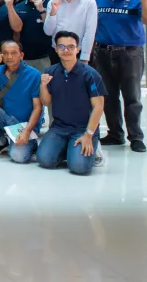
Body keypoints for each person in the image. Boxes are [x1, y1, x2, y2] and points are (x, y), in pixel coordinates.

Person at [94, 0, 147, 153]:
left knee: (132, 97)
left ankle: (135, 137)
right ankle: (115, 134)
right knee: (108, 96)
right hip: (103, 53)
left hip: (130, 54)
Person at [38, 31, 107, 175]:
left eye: (71, 47)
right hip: (59, 127)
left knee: (79, 167)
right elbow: (46, 101)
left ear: (78, 49)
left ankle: (93, 149)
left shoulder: (90, 74)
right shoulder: (50, 71)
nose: (66, 50)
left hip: (83, 128)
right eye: (62, 47)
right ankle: (70, 149)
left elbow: (98, 107)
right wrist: (43, 86)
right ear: (56, 49)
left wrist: (88, 134)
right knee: (44, 160)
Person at [0, 40, 44, 162]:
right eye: (5, 53)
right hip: (7, 118)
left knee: (18, 156)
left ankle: (32, 143)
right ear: (1, 55)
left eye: (13, 53)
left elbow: (38, 107)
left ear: (21, 55)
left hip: (25, 124)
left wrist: (27, 131)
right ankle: (0, 142)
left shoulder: (34, 74)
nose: (9, 56)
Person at [43, 0, 97, 64]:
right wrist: (53, 12)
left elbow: (90, 32)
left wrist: (85, 57)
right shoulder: (52, 3)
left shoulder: (89, 3)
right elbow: (48, 32)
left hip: (78, 51)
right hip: (57, 51)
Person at [14, 0, 53, 71]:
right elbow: (16, 31)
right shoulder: (19, 7)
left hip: (45, 56)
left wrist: (42, 10)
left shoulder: (51, 5)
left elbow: (52, 29)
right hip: (24, 56)